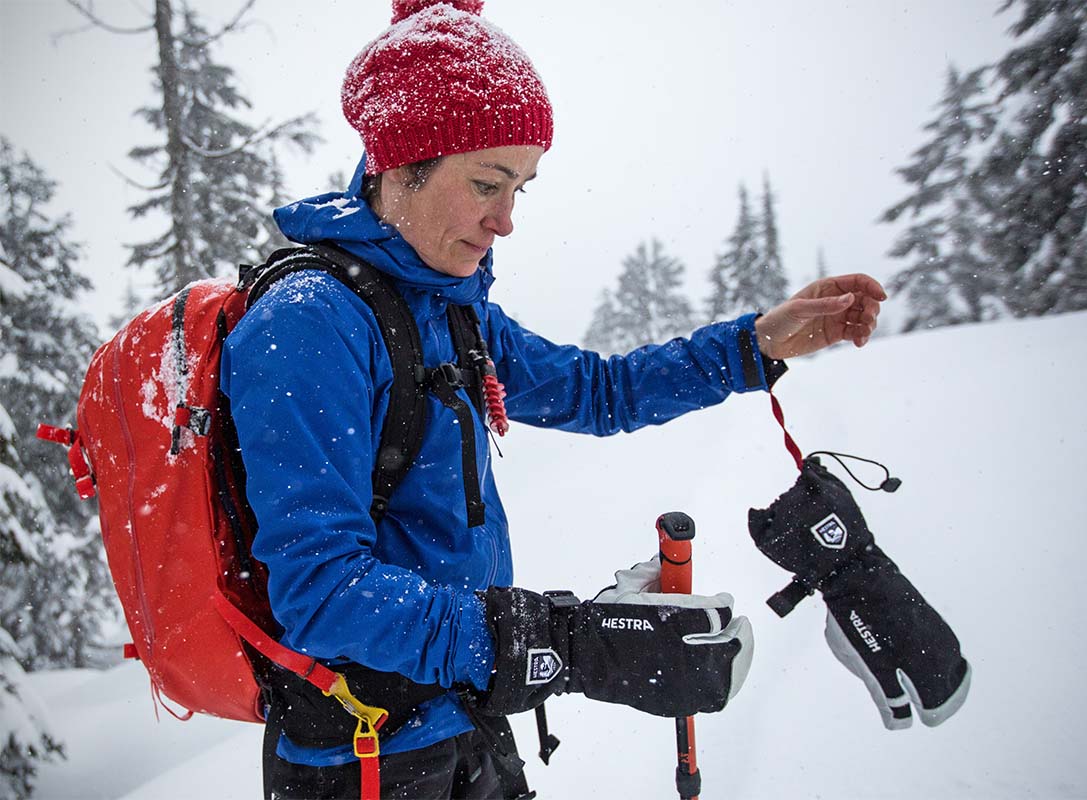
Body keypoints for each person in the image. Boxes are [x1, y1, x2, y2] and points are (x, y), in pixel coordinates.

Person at [220, 1, 885, 798]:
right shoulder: (309, 326)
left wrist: (754, 346)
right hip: (364, 761)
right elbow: (322, 592)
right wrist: (567, 644)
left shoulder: (447, 307)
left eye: (520, 189)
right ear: (401, 164)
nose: (505, 221)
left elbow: (597, 392)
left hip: (468, 725)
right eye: (486, 184)